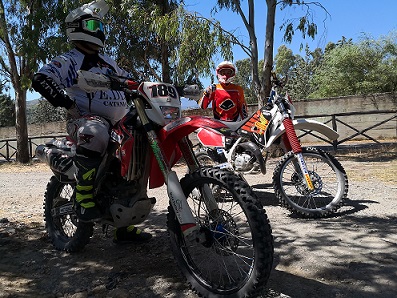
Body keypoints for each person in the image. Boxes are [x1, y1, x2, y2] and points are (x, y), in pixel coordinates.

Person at [31, 0, 151, 243]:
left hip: (118, 123)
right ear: (78, 27)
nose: (99, 28)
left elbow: (131, 82)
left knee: (141, 143)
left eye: (100, 24)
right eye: (94, 23)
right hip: (85, 121)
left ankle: (124, 224)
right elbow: (41, 78)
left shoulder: (108, 61)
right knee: (96, 132)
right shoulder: (70, 59)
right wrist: (67, 103)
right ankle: (84, 196)